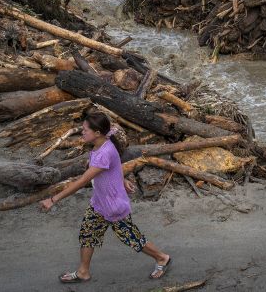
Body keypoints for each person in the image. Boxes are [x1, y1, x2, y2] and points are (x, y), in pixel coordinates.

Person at [39, 112, 171, 283]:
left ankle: (162, 258)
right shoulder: (100, 145)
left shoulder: (104, 152)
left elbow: (83, 180)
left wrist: (52, 200)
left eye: (85, 130)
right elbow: (113, 166)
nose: (82, 133)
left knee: (132, 238)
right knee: (87, 234)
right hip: (99, 203)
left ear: (97, 133)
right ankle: (83, 272)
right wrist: (121, 180)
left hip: (113, 206)